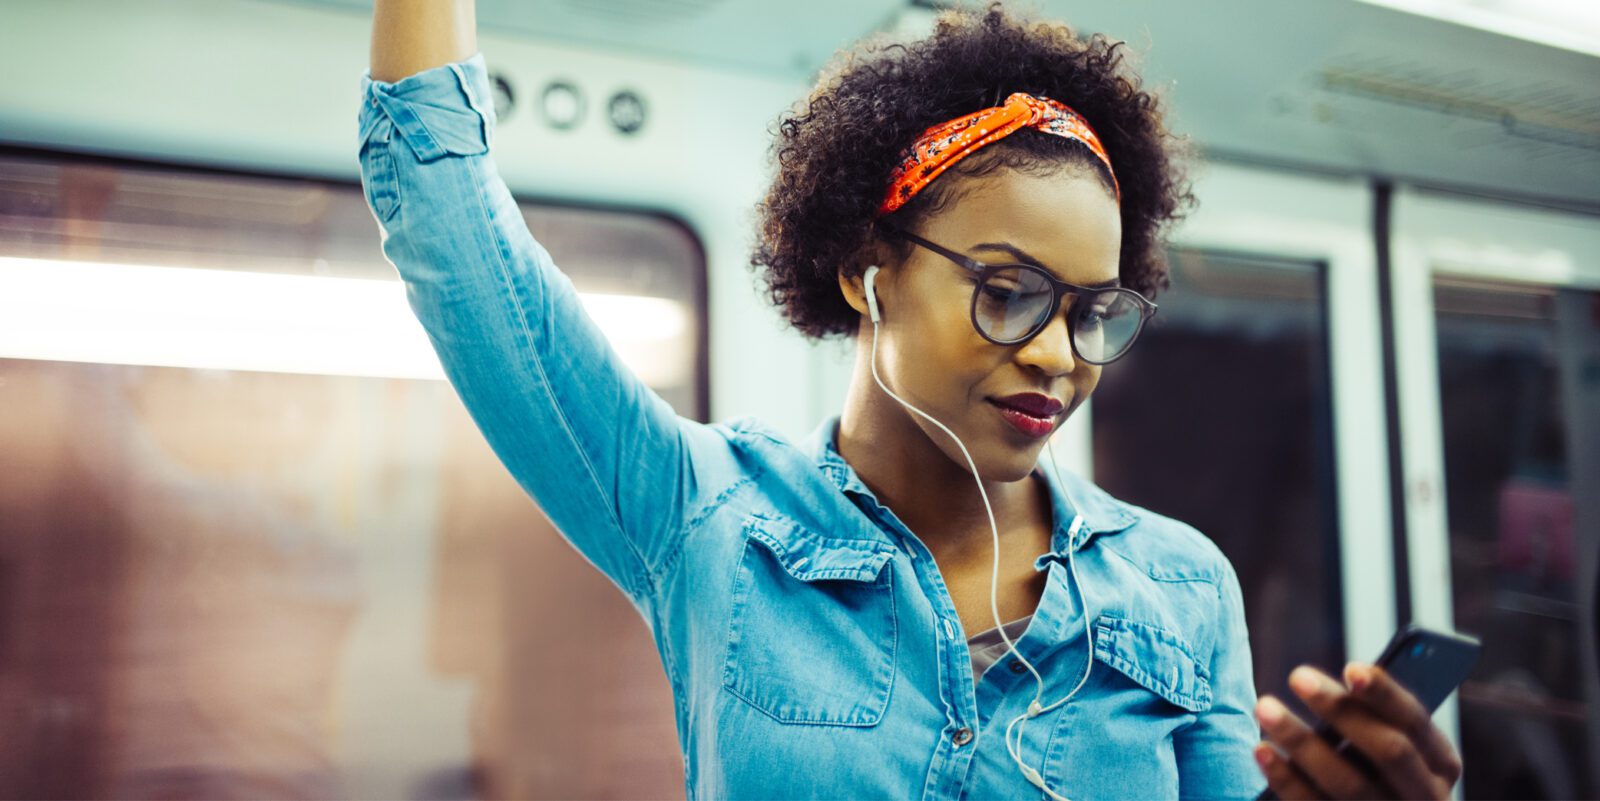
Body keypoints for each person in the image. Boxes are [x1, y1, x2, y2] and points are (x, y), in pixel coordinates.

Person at [360, 1, 1464, 797]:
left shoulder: (1180, 584)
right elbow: (442, 208)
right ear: (867, 269)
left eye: (1091, 311)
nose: (1058, 358)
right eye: (1006, 292)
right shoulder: (709, 519)